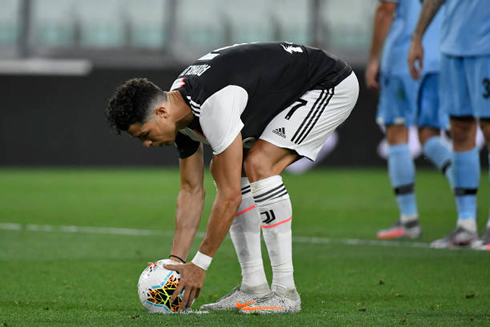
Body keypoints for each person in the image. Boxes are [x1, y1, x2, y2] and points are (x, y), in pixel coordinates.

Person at [105, 42, 359, 312]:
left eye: (145, 134)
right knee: (227, 170)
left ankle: (285, 293)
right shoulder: (178, 109)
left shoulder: (213, 105)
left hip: (328, 83)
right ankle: (253, 287)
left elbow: (229, 198)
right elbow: (191, 190)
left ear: (161, 113)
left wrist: (200, 264)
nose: (147, 144)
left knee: (259, 163)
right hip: (284, 90)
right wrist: (177, 262)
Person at [366, 0, 454, 241]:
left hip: (404, 56)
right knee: (429, 136)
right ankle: (466, 203)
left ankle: (409, 220)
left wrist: (374, 57)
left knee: (397, 133)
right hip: (440, 57)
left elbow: (386, 7)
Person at [409, 0, 490, 249]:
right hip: (452, 46)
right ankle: (465, 225)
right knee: (460, 128)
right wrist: (417, 37)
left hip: (486, 46)